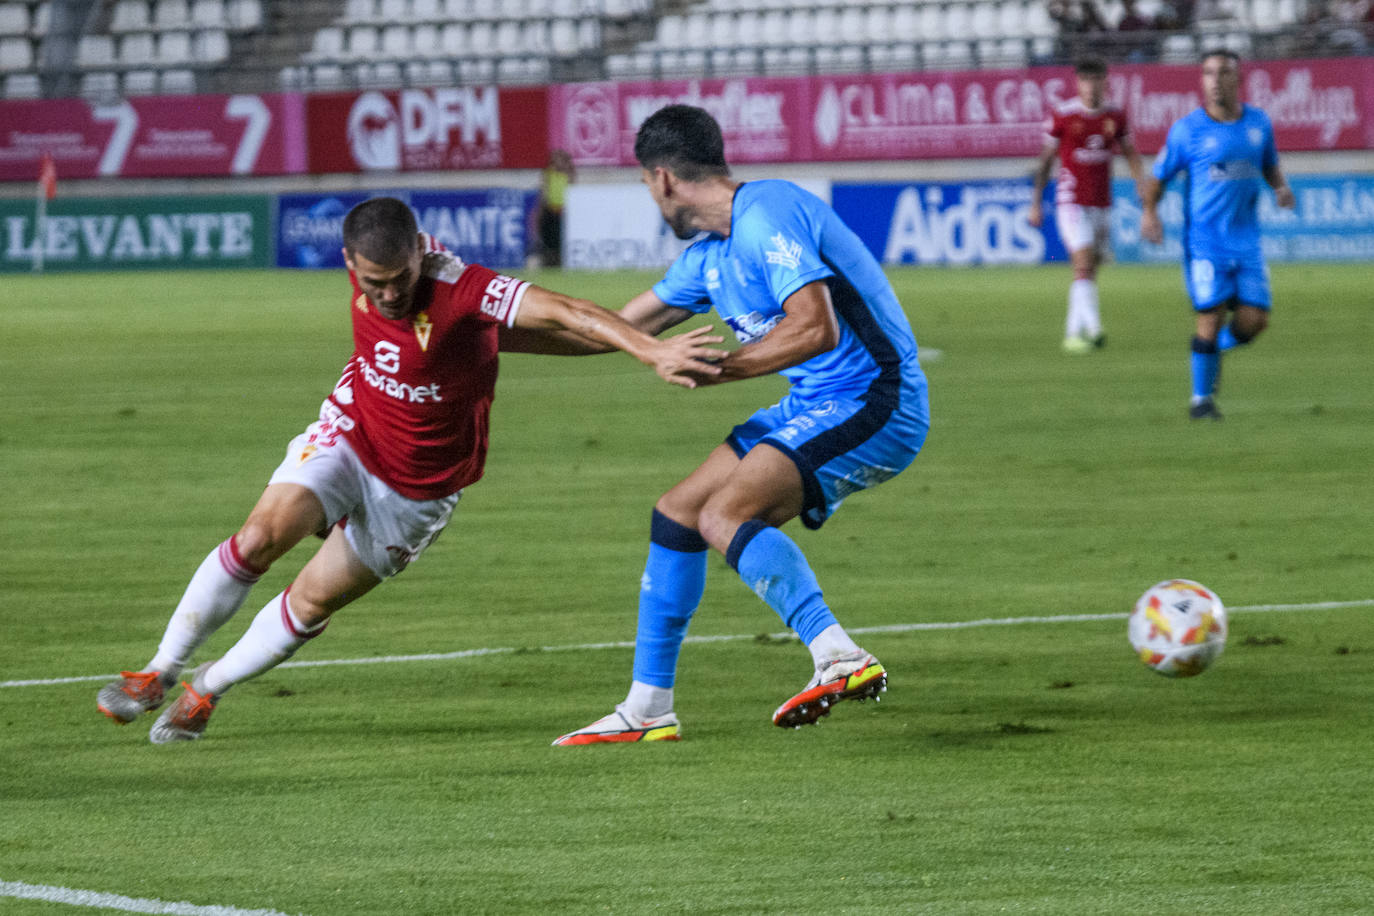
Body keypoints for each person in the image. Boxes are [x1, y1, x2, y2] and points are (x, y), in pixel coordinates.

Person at [96, 197, 725, 743]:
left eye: (401, 278)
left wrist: (651, 349)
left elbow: (566, 309)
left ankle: (209, 688)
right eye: (375, 283)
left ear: (420, 256)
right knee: (259, 536)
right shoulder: (372, 267)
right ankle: (159, 669)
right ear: (350, 266)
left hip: (419, 489)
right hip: (352, 429)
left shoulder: (459, 287)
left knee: (313, 602)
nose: (390, 294)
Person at [538, 105, 931, 745]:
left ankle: (839, 654)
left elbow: (815, 326)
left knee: (723, 515)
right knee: (677, 514)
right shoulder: (706, 258)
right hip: (817, 401)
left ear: (662, 179)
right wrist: (490, 340)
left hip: (876, 398)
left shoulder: (768, 212)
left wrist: (721, 371)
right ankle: (647, 708)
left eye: (645, 185)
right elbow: (611, 331)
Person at [1140, 49, 1295, 420]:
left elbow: (1269, 164)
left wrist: (1280, 188)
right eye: (1208, 73)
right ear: (1202, 80)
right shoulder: (1187, 130)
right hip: (1205, 242)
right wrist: (1150, 213)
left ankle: (1212, 351)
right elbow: (1157, 178)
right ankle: (1201, 401)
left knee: (1254, 321)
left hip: (1246, 240)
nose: (1214, 80)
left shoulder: (1259, 124)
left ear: (1237, 79)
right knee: (1208, 316)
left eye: (1223, 72)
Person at [1029, 56, 1145, 354]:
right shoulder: (1063, 115)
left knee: (1089, 269)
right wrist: (1036, 203)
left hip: (1101, 203)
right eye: (1085, 80)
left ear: (1105, 82)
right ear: (1077, 83)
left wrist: (1140, 184)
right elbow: (1045, 161)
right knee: (1082, 263)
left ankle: (1072, 334)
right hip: (1071, 202)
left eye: (1096, 80)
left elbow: (1131, 153)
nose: (1091, 86)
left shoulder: (1116, 117)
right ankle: (1094, 329)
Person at [532, 149, 574, 268]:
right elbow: (543, 191)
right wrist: (540, 209)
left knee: (560, 240)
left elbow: (573, 189)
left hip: (563, 211)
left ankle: (559, 262)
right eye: (556, 159)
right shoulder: (548, 173)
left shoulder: (568, 173)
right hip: (550, 210)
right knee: (549, 239)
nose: (558, 162)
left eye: (561, 159)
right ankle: (548, 262)